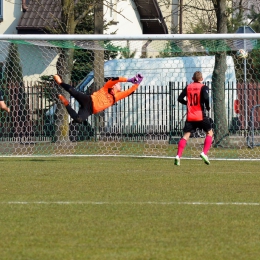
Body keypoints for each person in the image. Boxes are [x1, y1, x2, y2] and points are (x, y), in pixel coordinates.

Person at [53, 74, 143, 123]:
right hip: (88, 100)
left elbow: (130, 91)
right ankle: (60, 82)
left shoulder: (117, 96)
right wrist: (129, 80)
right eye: (117, 84)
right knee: (73, 91)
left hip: (90, 110)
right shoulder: (107, 86)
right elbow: (115, 79)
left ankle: (66, 103)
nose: (118, 84)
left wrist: (137, 83)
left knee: (79, 119)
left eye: (119, 84)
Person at [174, 71, 213, 166]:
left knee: (186, 136)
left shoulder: (188, 87)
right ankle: (204, 153)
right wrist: (207, 106)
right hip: (200, 115)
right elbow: (206, 97)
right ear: (202, 79)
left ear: (192, 78)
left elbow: (179, 99)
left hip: (190, 116)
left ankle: (178, 156)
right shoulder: (203, 87)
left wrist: (187, 103)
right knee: (209, 132)